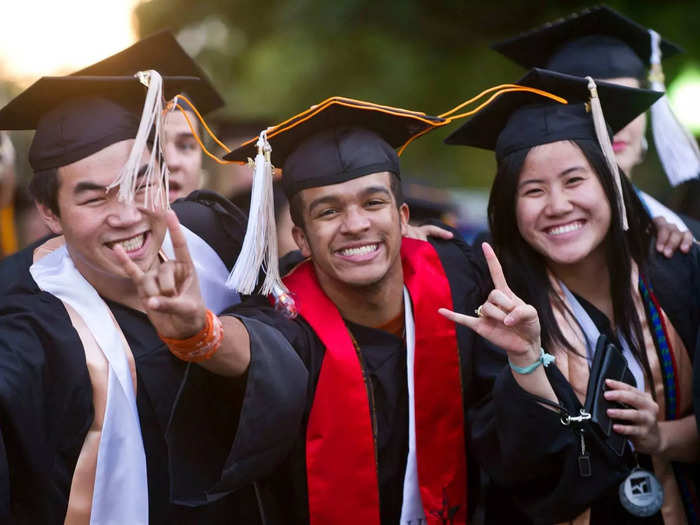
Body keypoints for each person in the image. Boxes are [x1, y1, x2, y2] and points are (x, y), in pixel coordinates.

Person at [149, 95, 549, 524]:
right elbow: (253, 345)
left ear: (403, 216)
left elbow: (520, 449)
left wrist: (528, 360)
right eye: (329, 211)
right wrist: (197, 332)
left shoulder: (458, 279)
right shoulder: (287, 312)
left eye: (373, 203)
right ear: (300, 239)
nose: (355, 224)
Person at [0, 41, 306, 523]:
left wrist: (201, 335)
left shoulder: (213, 242)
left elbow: (295, 327)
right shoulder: (34, 318)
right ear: (48, 214)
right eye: (94, 199)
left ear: (169, 179)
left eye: (141, 184)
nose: (127, 216)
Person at [444, 68, 699, 523]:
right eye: (533, 190)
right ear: (510, 208)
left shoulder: (680, 271)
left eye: (575, 180)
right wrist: (526, 361)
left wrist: (661, 436)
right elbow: (513, 465)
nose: (558, 205)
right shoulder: (496, 309)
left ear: (610, 183)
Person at [492, 5, 700, 240]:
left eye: (628, 102)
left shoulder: (689, 240)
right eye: (594, 107)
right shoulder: (499, 253)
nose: (615, 125)